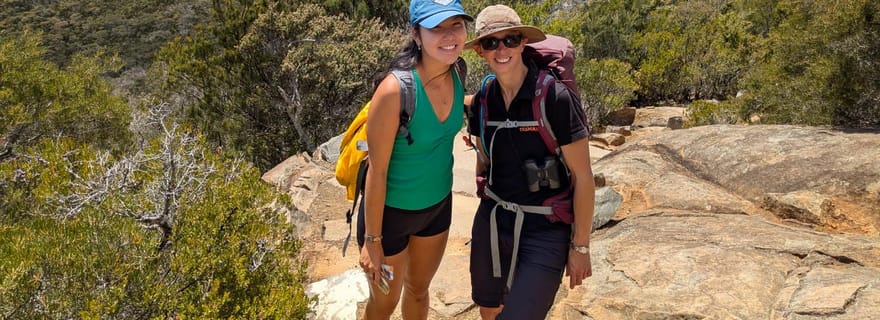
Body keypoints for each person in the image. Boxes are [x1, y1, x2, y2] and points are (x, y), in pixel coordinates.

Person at [465, 5, 596, 319]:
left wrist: (580, 246)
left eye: (509, 40)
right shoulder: (484, 101)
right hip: (494, 222)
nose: (502, 49)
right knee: (490, 309)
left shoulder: (553, 98)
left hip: (545, 228)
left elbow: (583, 176)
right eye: (491, 43)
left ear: (523, 42)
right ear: (480, 51)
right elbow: (484, 162)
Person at [356, 0, 472, 319]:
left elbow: (448, 112)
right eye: (437, 27)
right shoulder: (395, 90)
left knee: (419, 291)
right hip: (389, 217)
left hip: (436, 208)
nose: (449, 35)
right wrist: (372, 241)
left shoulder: (457, 71)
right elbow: (377, 172)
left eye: (456, 25)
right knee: (384, 303)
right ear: (416, 35)